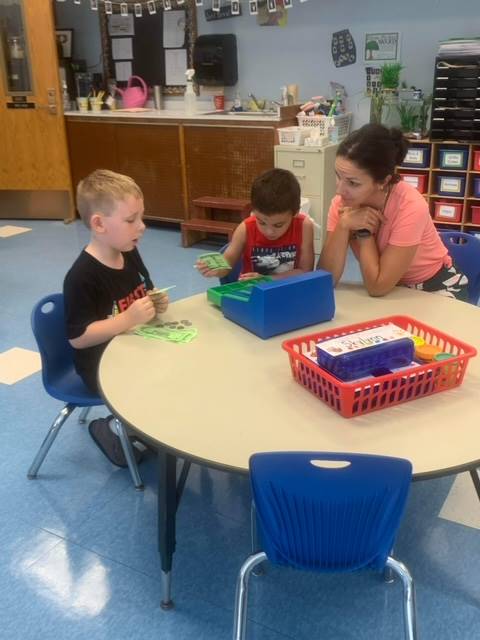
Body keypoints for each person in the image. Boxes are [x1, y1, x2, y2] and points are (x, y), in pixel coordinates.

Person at [63, 169, 169, 466]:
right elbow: (77, 337)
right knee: (154, 381)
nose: (142, 226)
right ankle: (111, 427)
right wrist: (126, 319)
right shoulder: (82, 276)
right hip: (98, 364)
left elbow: (143, 291)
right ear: (99, 224)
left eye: (141, 217)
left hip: (134, 346)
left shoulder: (128, 249)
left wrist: (154, 301)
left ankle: (148, 425)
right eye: (130, 220)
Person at [318, 124, 469, 300]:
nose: (339, 190)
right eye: (338, 176)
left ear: (382, 181)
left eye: (353, 183)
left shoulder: (410, 206)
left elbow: (377, 286)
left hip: (435, 286)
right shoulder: (342, 203)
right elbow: (325, 281)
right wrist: (343, 226)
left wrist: (364, 232)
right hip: (394, 290)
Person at [196, 168, 315, 280]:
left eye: (278, 225)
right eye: (261, 222)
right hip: (251, 293)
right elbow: (227, 266)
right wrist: (216, 270)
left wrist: (268, 280)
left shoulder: (304, 226)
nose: (269, 231)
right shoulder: (245, 228)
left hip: (288, 291)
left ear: (295, 213)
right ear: (253, 211)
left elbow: (305, 271)